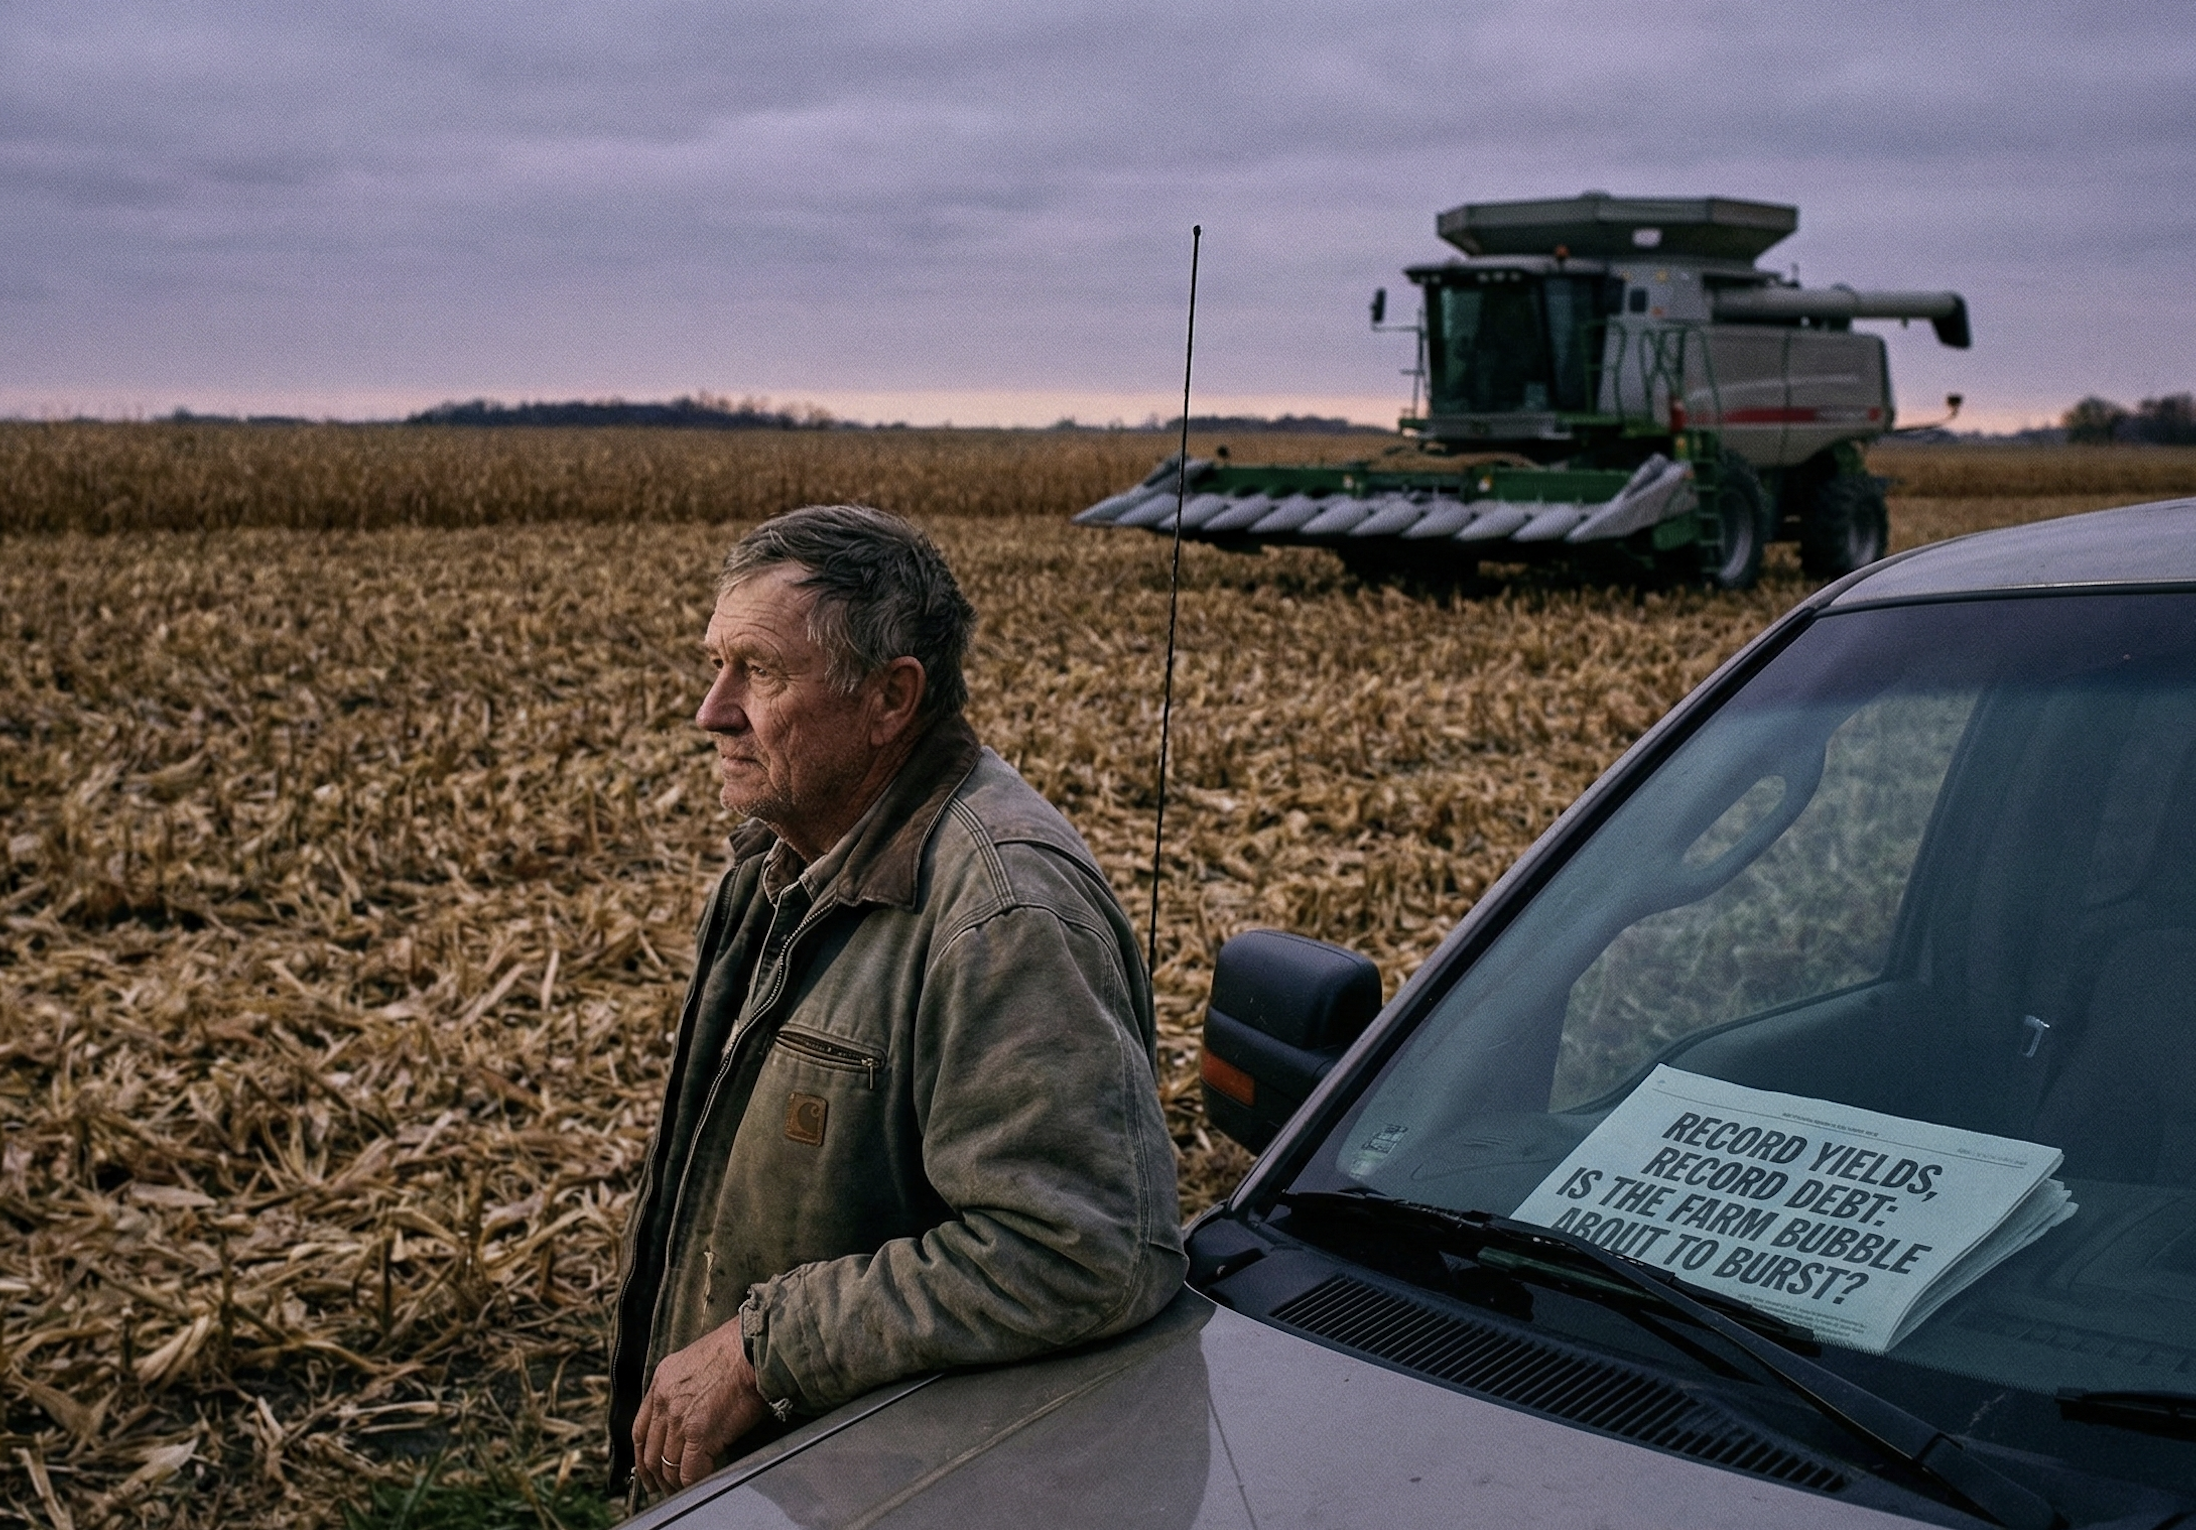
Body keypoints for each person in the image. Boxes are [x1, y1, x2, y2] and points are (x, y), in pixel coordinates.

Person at [609, 504, 1187, 1498]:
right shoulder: (781, 858)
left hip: (892, 1495)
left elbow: (1082, 1253)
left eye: (759, 672)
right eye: (715, 663)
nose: (711, 710)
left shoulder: (1003, 913)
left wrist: (765, 1349)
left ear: (889, 698)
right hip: (784, 1486)